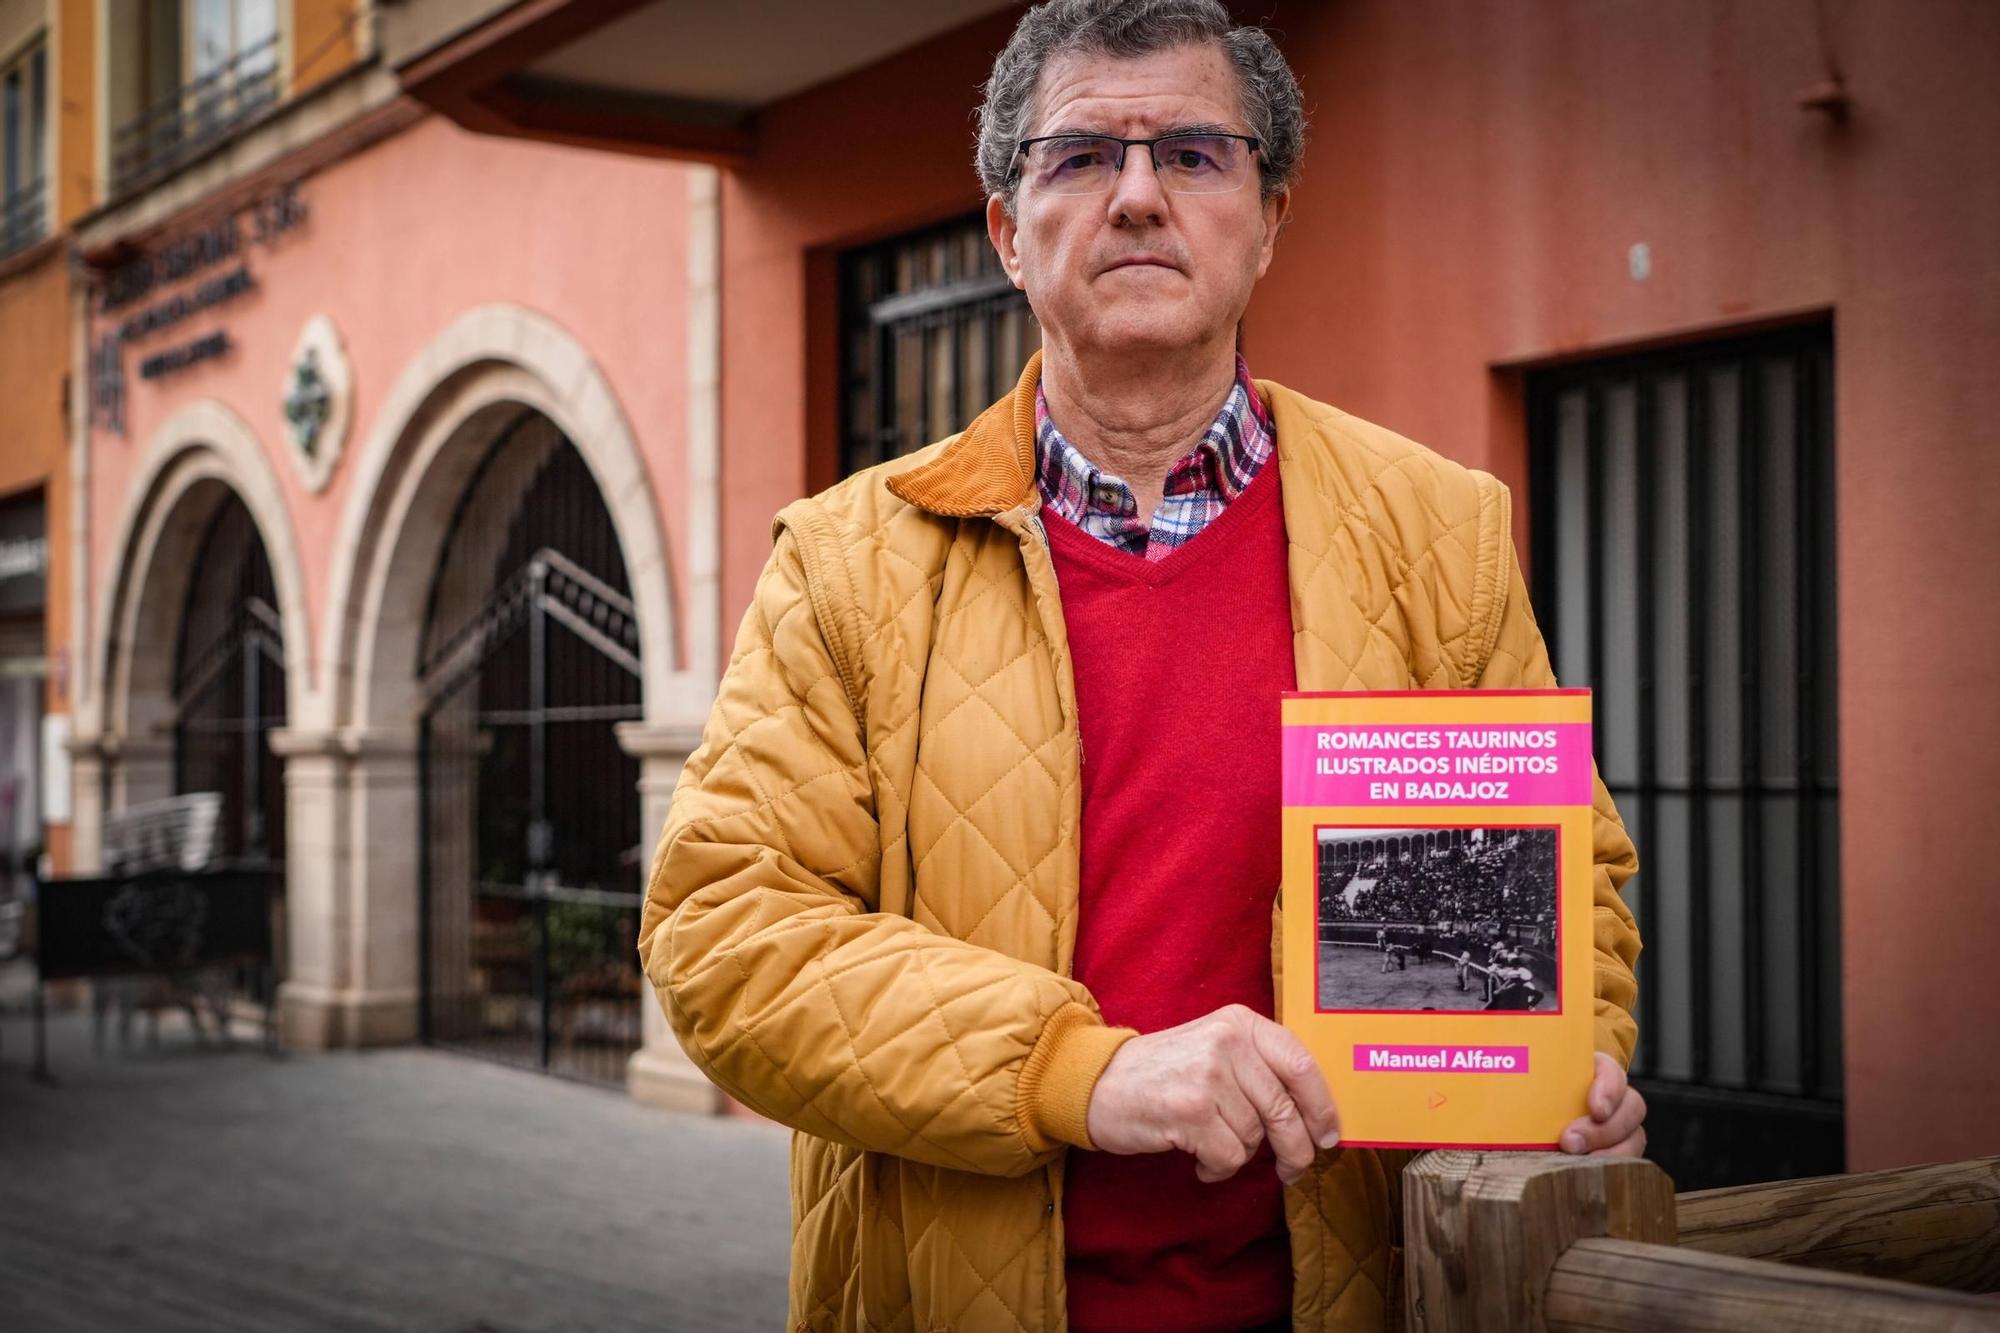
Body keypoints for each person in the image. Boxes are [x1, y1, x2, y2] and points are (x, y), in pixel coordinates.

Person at [637, 2, 1645, 1328]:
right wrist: (1081, 1072)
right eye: (1077, 159)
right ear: (1008, 231)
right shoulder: (848, 562)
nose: (1135, 198)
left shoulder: (1432, 531)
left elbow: (1568, 884)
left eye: (1192, 153)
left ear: (1268, 218)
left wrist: (1567, 1061)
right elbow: (723, 931)